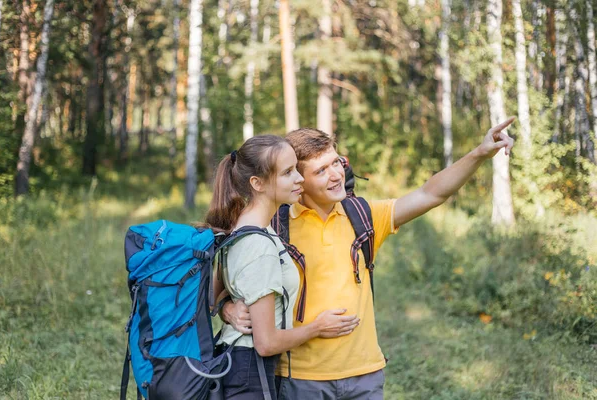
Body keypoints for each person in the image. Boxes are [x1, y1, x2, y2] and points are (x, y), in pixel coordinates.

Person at [221, 119, 516, 399]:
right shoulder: (274, 224)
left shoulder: (363, 216)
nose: (336, 174)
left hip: (365, 374)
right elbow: (228, 280)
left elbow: (431, 193)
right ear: (299, 180)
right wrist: (226, 308)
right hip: (299, 378)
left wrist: (479, 154)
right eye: (321, 170)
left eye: (336, 162)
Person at [206, 134, 360, 400]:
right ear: (258, 183)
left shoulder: (246, 227)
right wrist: (318, 328)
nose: (299, 179)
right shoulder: (258, 245)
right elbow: (266, 343)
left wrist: (226, 308)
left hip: (238, 364)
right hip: (249, 372)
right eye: (288, 173)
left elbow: (213, 296)